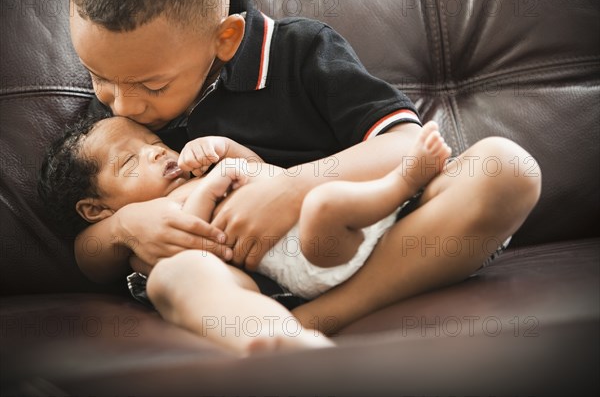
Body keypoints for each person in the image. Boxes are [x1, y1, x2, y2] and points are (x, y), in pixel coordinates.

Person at [67, 0, 541, 335]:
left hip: (374, 236)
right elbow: (88, 256)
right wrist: (126, 227)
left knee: (507, 168)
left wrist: (293, 187)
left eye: (152, 85)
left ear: (225, 38)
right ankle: (269, 332)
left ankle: (320, 321)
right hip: (246, 282)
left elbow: (405, 146)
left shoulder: (301, 51)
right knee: (176, 278)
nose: (123, 105)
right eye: (98, 77)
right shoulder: (116, 114)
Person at [39, 115, 453, 351]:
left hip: (314, 238)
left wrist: (229, 152)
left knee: (329, 203)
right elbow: (196, 238)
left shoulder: (195, 170)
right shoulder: (150, 219)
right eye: (129, 161)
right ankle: (280, 340)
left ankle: (396, 190)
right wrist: (210, 190)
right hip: (252, 277)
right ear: (96, 209)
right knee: (178, 276)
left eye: (154, 141)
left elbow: (260, 175)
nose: (157, 151)